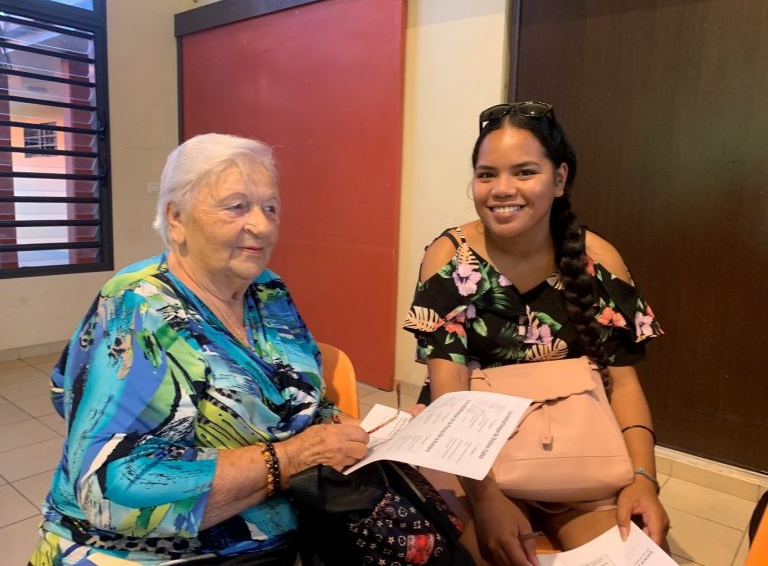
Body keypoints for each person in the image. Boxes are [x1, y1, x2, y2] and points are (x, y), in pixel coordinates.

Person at [28, 133, 370, 565]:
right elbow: (111, 493)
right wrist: (288, 459)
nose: (263, 226)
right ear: (176, 218)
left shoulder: (268, 291)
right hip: (146, 554)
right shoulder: (137, 309)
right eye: (237, 206)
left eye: (270, 207)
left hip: (284, 528)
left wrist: (366, 429)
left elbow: (303, 395)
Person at [403, 102, 670, 565]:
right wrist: (486, 499)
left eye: (525, 172)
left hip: (576, 450)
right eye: (486, 175)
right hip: (471, 458)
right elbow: (450, 391)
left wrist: (644, 478)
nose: (502, 189)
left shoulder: (598, 259)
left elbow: (624, 384)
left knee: (638, 550)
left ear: (559, 178)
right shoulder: (450, 258)